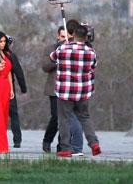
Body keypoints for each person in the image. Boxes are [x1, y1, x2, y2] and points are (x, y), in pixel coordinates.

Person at [50, 24, 101, 158]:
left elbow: (52, 57)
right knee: (84, 117)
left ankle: (66, 148)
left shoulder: (63, 48)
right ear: (86, 37)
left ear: (73, 35)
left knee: (64, 119)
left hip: (65, 91)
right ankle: (94, 142)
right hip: (83, 91)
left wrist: (64, 45)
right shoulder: (91, 52)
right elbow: (94, 65)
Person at [42, 24, 84, 155]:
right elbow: (45, 66)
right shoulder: (50, 49)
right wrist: (58, 61)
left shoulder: (73, 48)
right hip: (54, 88)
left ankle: (62, 144)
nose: (64, 39)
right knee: (56, 116)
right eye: (62, 36)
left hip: (68, 88)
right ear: (57, 36)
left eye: (67, 37)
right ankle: (47, 140)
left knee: (66, 118)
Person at [4, 36, 27, 148]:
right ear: (11, 44)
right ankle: (17, 140)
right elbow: (19, 73)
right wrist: (23, 88)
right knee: (13, 114)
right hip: (9, 88)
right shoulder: (11, 56)